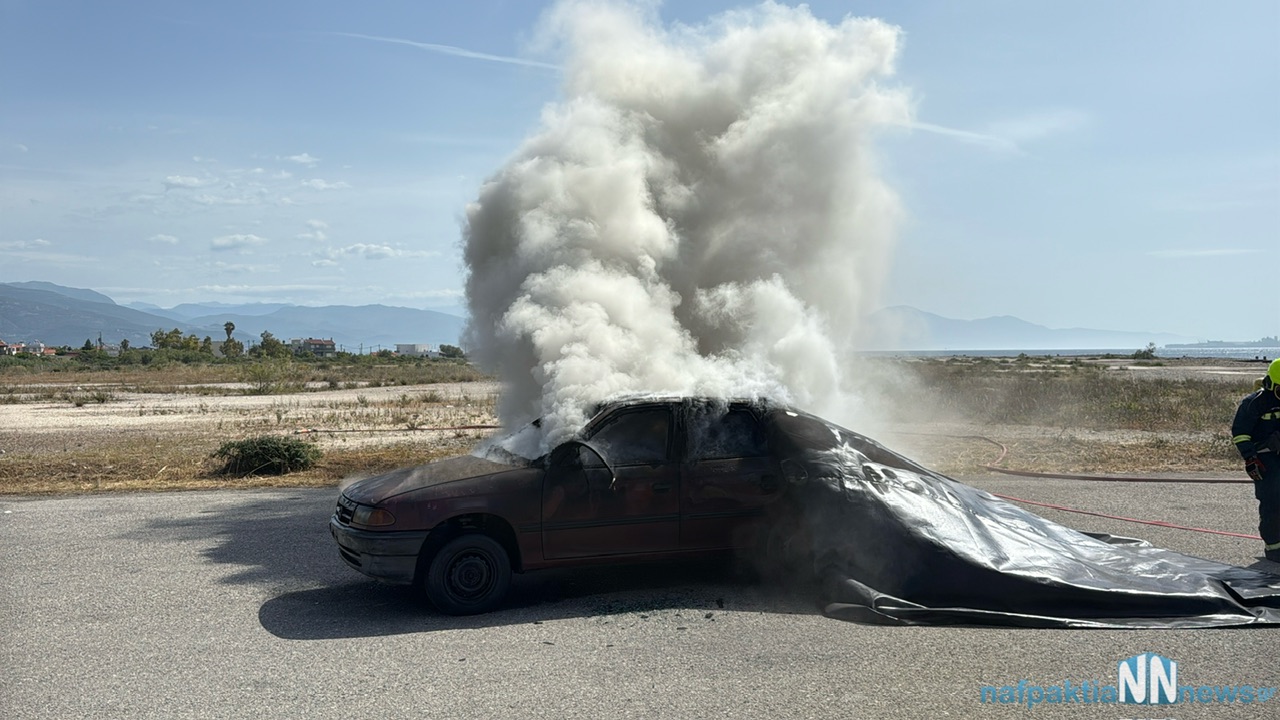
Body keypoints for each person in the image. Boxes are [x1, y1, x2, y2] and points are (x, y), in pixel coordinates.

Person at [1233, 358, 1280, 562]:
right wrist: (1250, 458)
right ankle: (1274, 547)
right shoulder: (1254, 403)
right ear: (1270, 384)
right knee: (1272, 500)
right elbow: (1240, 433)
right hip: (1265, 459)